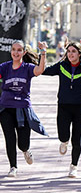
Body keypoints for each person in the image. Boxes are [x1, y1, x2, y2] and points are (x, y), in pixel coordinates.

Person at [42, 40, 81, 178]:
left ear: (79, 54)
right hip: (64, 106)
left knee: (76, 140)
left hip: (80, 107)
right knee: (63, 135)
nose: (71, 54)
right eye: (69, 51)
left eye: (74, 51)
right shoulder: (62, 66)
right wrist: (43, 54)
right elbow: (45, 70)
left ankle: (74, 166)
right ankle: (64, 142)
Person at [0, 40, 48, 177]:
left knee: (22, 143)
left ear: (24, 52)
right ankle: (13, 167)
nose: (16, 52)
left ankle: (26, 150)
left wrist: (43, 52)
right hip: (6, 108)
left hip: (23, 108)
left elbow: (39, 70)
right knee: (9, 139)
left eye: (19, 50)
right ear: (11, 52)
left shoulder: (27, 68)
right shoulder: (5, 67)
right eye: (14, 49)